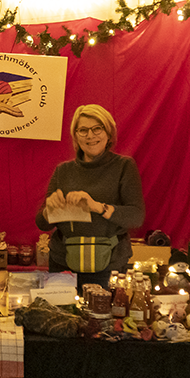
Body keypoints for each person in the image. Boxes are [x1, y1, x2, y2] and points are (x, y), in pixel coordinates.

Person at [36, 104, 145, 288]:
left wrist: (97, 207)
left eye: (97, 129)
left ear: (109, 134)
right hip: (64, 264)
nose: (90, 135)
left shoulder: (124, 166)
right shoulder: (63, 170)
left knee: (105, 316)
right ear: (76, 136)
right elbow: (42, 223)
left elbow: (136, 217)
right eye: (83, 130)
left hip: (111, 265)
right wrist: (49, 210)